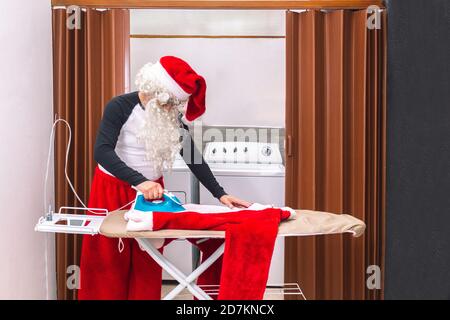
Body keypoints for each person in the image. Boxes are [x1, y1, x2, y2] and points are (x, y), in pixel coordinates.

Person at [78, 56, 251, 300]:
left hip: (152, 193)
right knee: (107, 260)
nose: (173, 110)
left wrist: (220, 193)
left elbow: (194, 158)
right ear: (154, 91)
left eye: (177, 105)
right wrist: (139, 181)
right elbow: (102, 150)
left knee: (147, 258)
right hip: (113, 188)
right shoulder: (119, 107)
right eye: (170, 103)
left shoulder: (170, 118)